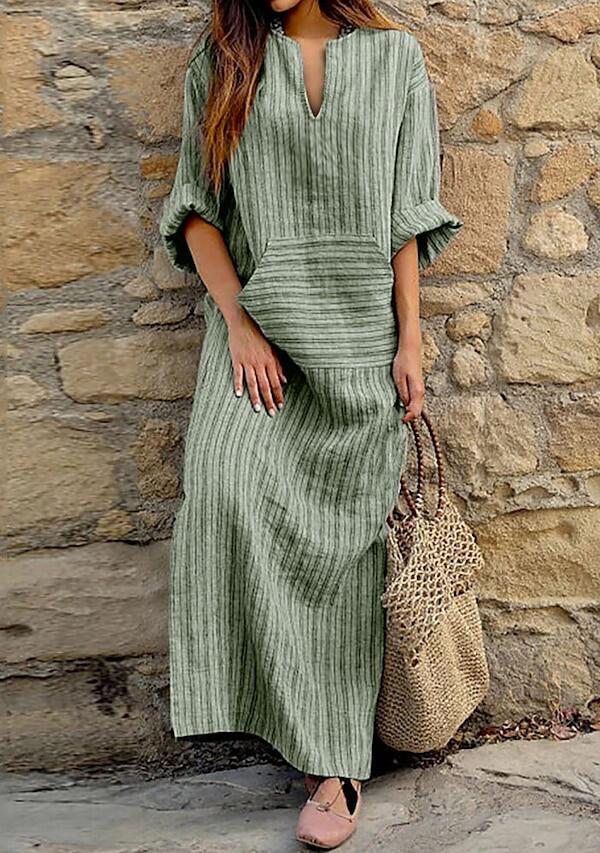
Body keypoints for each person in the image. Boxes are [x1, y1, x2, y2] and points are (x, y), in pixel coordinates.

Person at [159, 0, 461, 847]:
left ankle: (335, 768)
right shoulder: (223, 63)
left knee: (346, 545)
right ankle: (283, 719)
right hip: (260, 344)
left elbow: (408, 210)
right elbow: (196, 208)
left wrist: (410, 338)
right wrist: (239, 323)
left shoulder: (396, 59)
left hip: (361, 338)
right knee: (223, 494)